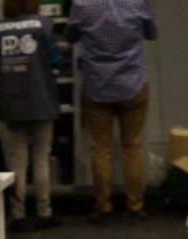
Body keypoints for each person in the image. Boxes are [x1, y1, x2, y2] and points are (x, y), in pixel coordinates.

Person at [66, 0, 156, 225]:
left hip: (97, 84)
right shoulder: (138, 2)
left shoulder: (82, 4)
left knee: (101, 149)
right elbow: (151, 33)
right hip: (132, 84)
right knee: (133, 147)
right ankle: (136, 206)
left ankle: (103, 207)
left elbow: (70, 36)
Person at [0, 0, 61, 232]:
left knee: (17, 161)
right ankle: (44, 211)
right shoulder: (43, 25)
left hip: (12, 104)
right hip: (42, 100)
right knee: (41, 159)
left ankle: (18, 214)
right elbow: (55, 60)